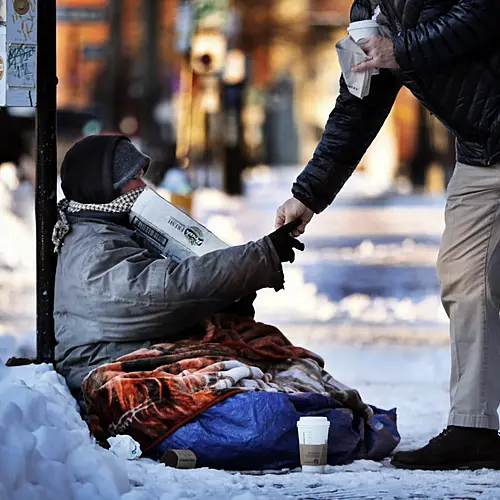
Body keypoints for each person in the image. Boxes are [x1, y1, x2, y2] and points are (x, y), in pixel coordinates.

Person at [275, 0, 500, 470]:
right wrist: (309, 195)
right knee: (465, 279)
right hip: (483, 153)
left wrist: (403, 48)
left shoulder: (395, 33)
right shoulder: (371, 10)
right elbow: (358, 105)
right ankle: (474, 427)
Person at [53, 134, 304, 411]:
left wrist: (229, 300)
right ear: (103, 187)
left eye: (141, 175)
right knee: (253, 406)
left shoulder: (110, 228)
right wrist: (259, 258)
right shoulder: (95, 247)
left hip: (131, 351)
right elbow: (166, 291)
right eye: (132, 178)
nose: (142, 185)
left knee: (262, 346)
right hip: (104, 369)